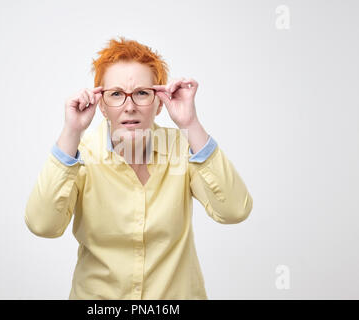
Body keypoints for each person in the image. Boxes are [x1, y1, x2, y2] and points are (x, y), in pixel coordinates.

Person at [24, 36, 253, 299]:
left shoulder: (183, 147)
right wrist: (71, 131)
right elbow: (43, 225)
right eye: (116, 94)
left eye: (142, 93)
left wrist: (190, 124)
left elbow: (234, 210)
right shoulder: (80, 155)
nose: (129, 106)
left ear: (158, 103)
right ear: (101, 105)